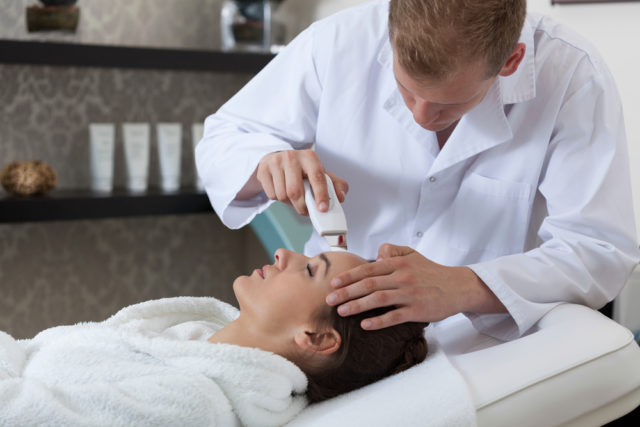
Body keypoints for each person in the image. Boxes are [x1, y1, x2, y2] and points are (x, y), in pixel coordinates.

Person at [196, 0, 640, 340]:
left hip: (488, 353)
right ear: (390, 34)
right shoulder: (341, 42)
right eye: (406, 91)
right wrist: (266, 164)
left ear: (511, 61)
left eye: (450, 103)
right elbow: (224, 136)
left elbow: (597, 249)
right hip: (343, 336)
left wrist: (466, 286)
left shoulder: (572, 78)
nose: (423, 116)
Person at [0, 249, 427, 426]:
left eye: (311, 269)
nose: (284, 254)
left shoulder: (193, 405)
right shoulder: (190, 337)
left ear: (315, 338)